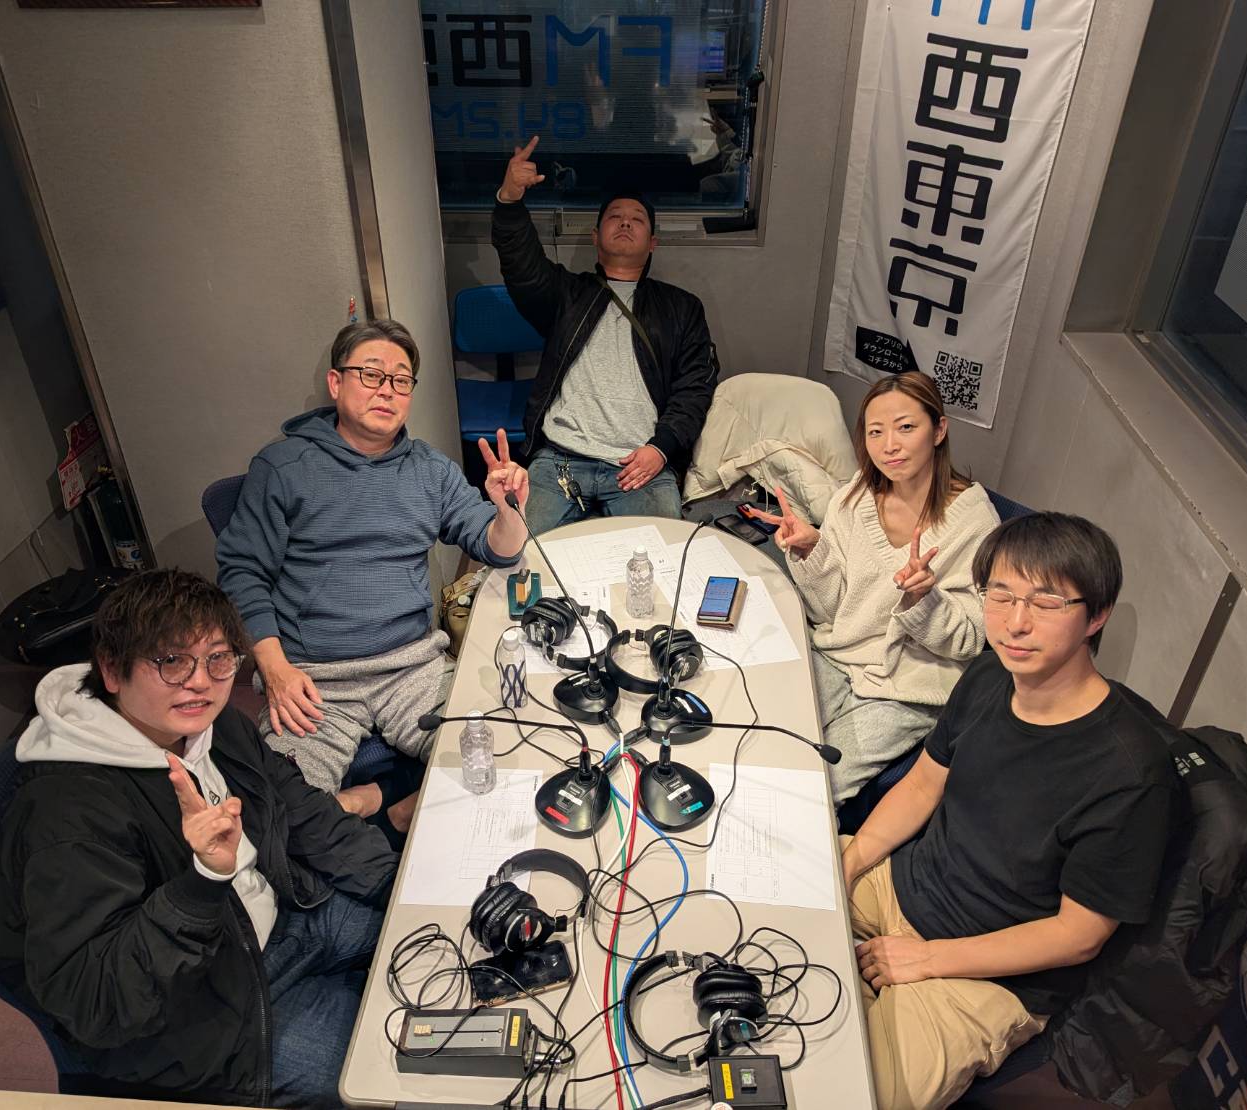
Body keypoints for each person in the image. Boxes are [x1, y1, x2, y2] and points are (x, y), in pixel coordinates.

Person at [0, 569, 397, 1107]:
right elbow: (96, 1000)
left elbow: (298, 809)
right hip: (207, 1015)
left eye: (218, 659)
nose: (200, 681)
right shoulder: (67, 813)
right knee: (394, 1065)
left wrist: (394, 883)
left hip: (284, 918)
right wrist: (202, 882)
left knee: (439, 932)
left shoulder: (210, 725)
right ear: (111, 670)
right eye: (172, 661)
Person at [842, 513, 1181, 1109]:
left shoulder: (1131, 772)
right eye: (1000, 595)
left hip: (988, 972)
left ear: (1096, 615)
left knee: (854, 1093)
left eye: (1046, 603)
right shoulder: (989, 674)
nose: (1015, 623)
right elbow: (920, 788)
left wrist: (928, 959)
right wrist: (844, 867)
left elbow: (1077, 936)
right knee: (764, 913)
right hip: (902, 885)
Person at [216, 319, 527, 840]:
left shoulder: (430, 470)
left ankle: (379, 801)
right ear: (336, 383)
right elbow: (242, 571)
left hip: (412, 666)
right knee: (279, 817)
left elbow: (498, 547)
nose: (387, 390)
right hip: (314, 678)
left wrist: (507, 508)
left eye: (401, 380)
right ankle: (392, 800)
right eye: (372, 374)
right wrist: (274, 668)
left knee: (507, 750)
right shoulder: (284, 466)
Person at [748, 371, 1000, 802]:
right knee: (759, 740)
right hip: (837, 655)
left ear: (939, 430)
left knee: (812, 789)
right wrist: (812, 551)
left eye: (906, 427)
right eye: (875, 431)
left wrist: (924, 600)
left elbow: (970, 642)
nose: (889, 446)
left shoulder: (975, 523)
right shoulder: (855, 496)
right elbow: (831, 613)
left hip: (907, 686)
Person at [492, 135, 719, 533]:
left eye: (637, 218)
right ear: (595, 237)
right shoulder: (565, 294)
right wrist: (509, 199)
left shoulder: (682, 308)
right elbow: (522, 267)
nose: (626, 222)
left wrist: (661, 448)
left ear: (652, 242)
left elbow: (695, 388)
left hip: (640, 464)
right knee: (517, 551)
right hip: (560, 459)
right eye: (615, 216)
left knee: (662, 559)